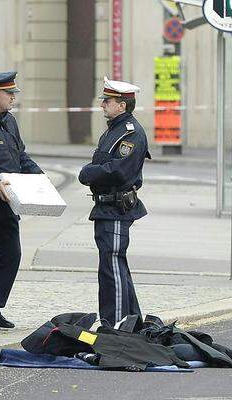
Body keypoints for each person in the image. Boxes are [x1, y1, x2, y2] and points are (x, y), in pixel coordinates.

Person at [78, 76, 150, 329]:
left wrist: (88, 173)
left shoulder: (130, 133)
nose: (103, 105)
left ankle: (117, 323)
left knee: (113, 267)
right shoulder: (114, 129)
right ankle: (132, 322)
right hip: (105, 207)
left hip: (117, 207)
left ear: (122, 105)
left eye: (107, 101)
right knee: (112, 267)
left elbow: (117, 170)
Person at [0, 71, 43, 331]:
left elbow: (20, 155)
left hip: (10, 202)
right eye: (9, 93)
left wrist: (39, 177)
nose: (13, 97)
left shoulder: (9, 121)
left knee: (12, 255)